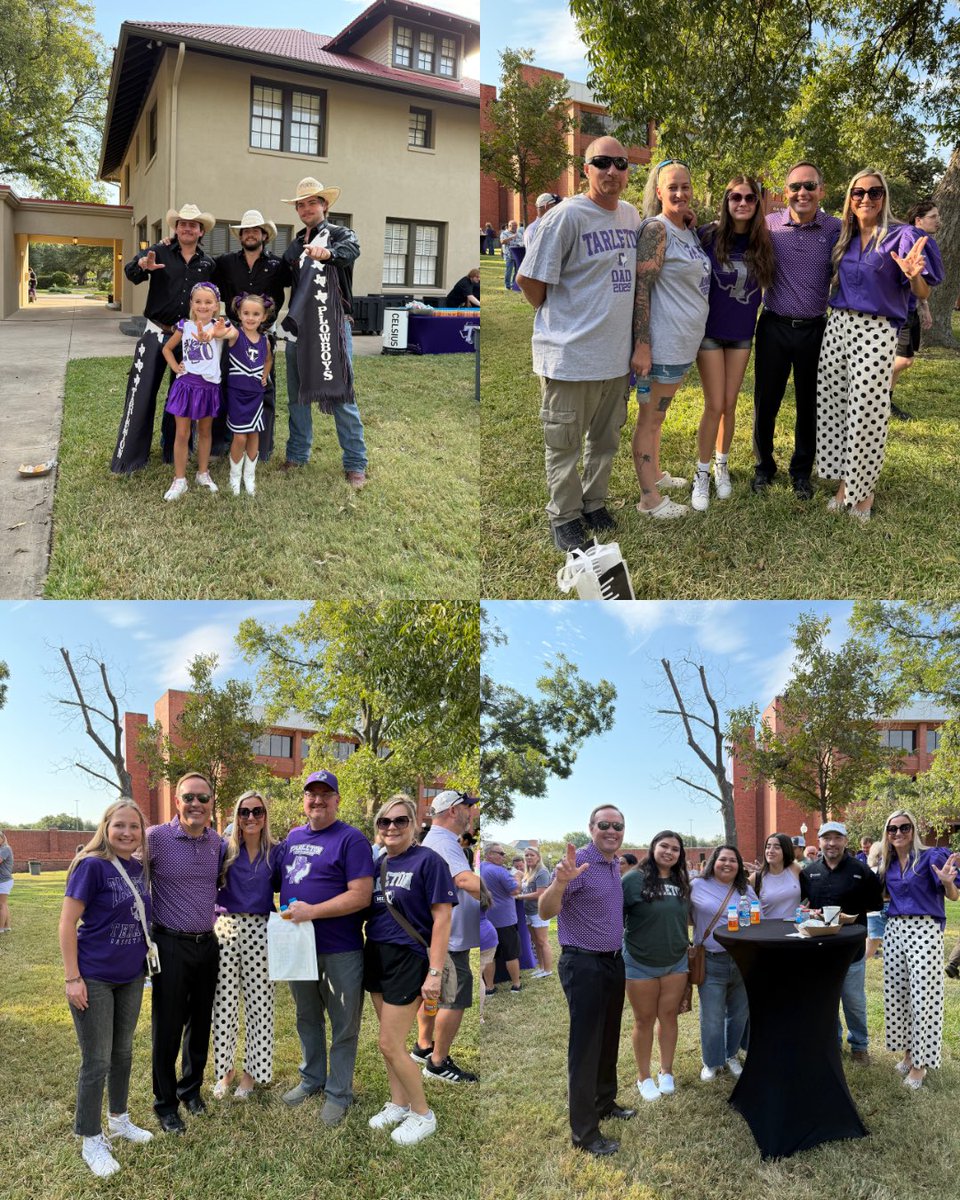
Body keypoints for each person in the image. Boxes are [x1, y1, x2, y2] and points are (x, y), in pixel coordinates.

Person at [516, 137, 641, 551]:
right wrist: (563, 319)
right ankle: (565, 515)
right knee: (564, 443)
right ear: (585, 169)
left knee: (605, 440)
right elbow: (529, 280)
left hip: (615, 358)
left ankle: (594, 503)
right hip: (570, 356)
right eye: (601, 162)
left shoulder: (630, 215)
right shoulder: (565, 217)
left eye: (620, 163)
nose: (612, 171)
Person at [816, 169, 938, 521]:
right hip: (838, 325)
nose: (866, 198)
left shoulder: (902, 235)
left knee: (867, 412)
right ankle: (845, 485)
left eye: (874, 192)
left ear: (884, 197)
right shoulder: (845, 236)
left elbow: (923, 290)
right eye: (859, 192)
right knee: (837, 407)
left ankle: (863, 493)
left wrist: (914, 275)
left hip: (876, 329)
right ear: (850, 198)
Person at [59, 799, 154, 1177]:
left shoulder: (139, 868)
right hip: (94, 977)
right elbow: (67, 923)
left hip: (131, 976)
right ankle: (90, 1138)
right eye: (120, 825)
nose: (127, 833)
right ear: (106, 827)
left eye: (134, 826)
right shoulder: (92, 865)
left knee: (123, 1052)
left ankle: (119, 1119)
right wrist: (72, 978)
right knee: (96, 1060)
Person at [274, 769, 373, 1125]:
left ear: (337, 800)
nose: (317, 800)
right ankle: (312, 1079)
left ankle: (338, 1092)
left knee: (344, 1024)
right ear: (304, 799)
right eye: (311, 794)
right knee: (306, 1017)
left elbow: (361, 896)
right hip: (298, 947)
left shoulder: (352, 839)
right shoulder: (293, 837)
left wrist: (312, 911)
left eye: (325, 794)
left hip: (339, 948)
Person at [539, 805, 635, 1157]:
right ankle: (585, 1133)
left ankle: (604, 1102)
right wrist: (560, 883)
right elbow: (546, 911)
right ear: (591, 827)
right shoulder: (577, 863)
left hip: (612, 962)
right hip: (583, 964)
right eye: (604, 824)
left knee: (608, 1037)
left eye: (618, 826)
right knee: (586, 1047)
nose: (612, 831)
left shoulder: (612, 864)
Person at [365, 794, 455, 1145]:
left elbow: (442, 918)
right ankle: (398, 1102)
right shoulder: (378, 863)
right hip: (376, 953)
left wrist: (435, 972)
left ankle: (423, 1113)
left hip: (409, 957)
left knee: (388, 1044)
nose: (392, 827)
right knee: (392, 1042)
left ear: (414, 825)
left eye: (400, 820)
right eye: (385, 821)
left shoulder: (429, 861)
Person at [752, 162, 841, 499]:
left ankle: (801, 471)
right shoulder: (769, 225)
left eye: (809, 186)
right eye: (795, 187)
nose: (802, 192)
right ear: (785, 191)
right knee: (766, 401)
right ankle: (764, 467)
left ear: (821, 190)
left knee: (810, 405)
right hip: (773, 326)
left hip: (815, 330)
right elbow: (734, 232)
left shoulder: (835, 228)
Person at [631, 158, 712, 520]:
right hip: (661, 345)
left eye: (685, 186)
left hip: (682, 344)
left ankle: (656, 474)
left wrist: (688, 219)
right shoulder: (656, 230)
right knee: (649, 419)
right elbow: (642, 289)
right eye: (672, 187)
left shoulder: (685, 229)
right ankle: (649, 499)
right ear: (659, 191)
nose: (680, 193)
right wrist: (642, 345)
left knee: (658, 417)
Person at [111, 203, 217, 474]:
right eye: (183, 224)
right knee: (142, 392)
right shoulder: (158, 251)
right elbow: (132, 273)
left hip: (189, 339)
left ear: (201, 231)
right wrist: (141, 264)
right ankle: (131, 457)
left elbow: (213, 299)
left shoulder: (208, 263)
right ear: (176, 228)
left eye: (193, 225)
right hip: (155, 333)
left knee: (182, 396)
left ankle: (174, 451)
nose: (187, 228)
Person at [147, 771, 225, 1133]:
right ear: (177, 801)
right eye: (189, 797)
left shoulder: (217, 843)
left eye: (203, 798)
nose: (196, 804)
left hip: (207, 944)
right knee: (167, 1027)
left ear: (211, 803)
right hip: (169, 944)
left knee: (200, 1023)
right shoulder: (155, 839)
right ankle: (165, 1104)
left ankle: (190, 1090)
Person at [692, 175, 774, 510]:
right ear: (726, 202)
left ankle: (721, 465)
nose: (742, 203)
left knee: (730, 403)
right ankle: (701, 473)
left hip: (742, 333)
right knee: (715, 404)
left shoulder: (764, 242)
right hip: (709, 332)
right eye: (735, 197)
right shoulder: (707, 236)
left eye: (749, 198)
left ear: (757, 203)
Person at [279, 178, 368, 487]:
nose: (306, 209)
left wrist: (326, 253)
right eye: (300, 205)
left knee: (341, 394)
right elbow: (280, 274)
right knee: (297, 396)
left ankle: (355, 463)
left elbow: (350, 251)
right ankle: (297, 454)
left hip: (333, 325)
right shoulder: (294, 244)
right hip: (300, 327)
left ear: (324, 205)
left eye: (311, 203)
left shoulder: (340, 234)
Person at [878, 809, 959, 1088]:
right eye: (892, 829)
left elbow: (953, 895)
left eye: (904, 827)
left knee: (924, 997)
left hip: (924, 929)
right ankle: (908, 1054)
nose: (898, 833)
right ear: (887, 834)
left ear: (913, 830)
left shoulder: (931, 856)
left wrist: (948, 883)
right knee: (898, 996)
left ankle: (920, 1066)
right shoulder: (887, 863)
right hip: (895, 930)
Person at [211, 791, 281, 1101]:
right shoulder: (223, 850)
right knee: (223, 1004)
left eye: (257, 811)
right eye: (244, 812)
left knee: (260, 1004)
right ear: (237, 816)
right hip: (226, 928)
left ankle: (252, 1074)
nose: (251, 817)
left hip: (261, 930)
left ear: (265, 816)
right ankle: (225, 1072)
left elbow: (291, 886)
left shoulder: (276, 852)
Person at [799, 820, 882, 1063]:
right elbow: (802, 904)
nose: (832, 843)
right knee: (826, 1000)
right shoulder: (809, 872)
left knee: (854, 1001)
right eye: (827, 838)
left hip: (851, 950)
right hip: (820, 949)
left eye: (837, 838)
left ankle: (859, 1046)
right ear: (819, 842)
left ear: (846, 841)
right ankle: (831, 1043)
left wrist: (852, 915)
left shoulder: (861, 870)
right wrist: (808, 912)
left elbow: (876, 903)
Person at [416, 789, 481, 1084]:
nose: (472, 813)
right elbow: (464, 879)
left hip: (443, 936)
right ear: (454, 810)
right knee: (453, 1000)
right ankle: (437, 1062)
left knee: (434, 994)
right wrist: (494, 894)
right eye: (468, 807)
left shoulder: (436, 840)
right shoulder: (444, 842)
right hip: (450, 939)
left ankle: (423, 1045)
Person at [213, 209, 289, 461]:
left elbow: (300, 278)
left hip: (264, 335)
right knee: (226, 384)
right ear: (240, 236)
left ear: (264, 235)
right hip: (233, 335)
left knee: (264, 385)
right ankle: (221, 443)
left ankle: (262, 448)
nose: (250, 234)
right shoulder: (225, 263)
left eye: (255, 230)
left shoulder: (277, 265)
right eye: (246, 231)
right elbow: (202, 272)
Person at [622, 831, 691, 1102]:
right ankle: (643, 1077)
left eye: (675, 848)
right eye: (664, 846)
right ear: (653, 848)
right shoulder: (633, 879)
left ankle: (666, 1071)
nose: (669, 852)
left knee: (669, 1016)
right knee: (644, 1019)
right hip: (640, 961)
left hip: (676, 960)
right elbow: (616, 917)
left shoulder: (681, 880)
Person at [690, 845, 757, 1081]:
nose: (727, 864)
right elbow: (684, 914)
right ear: (713, 862)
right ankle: (711, 1062)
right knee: (712, 1016)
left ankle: (731, 1055)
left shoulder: (745, 889)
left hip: (742, 960)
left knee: (738, 1014)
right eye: (723, 859)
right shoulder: (697, 885)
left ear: (739, 866)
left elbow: (757, 918)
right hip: (711, 960)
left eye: (733, 860)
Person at [160, 283, 231, 501]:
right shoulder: (185, 326)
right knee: (182, 433)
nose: (203, 306)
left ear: (216, 305)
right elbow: (167, 349)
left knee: (205, 431)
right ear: (191, 303)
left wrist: (212, 333)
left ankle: (203, 473)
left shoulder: (220, 325)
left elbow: (227, 333)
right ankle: (180, 479)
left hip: (209, 387)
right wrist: (175, 366)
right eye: (198, 301)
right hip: (186, 386)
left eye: (208, 302)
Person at [889, 200, 944, 419]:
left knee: (900, 358)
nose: (938, 221)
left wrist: (925, 307)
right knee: (904, 359)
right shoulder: (910, 236)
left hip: (911, 307)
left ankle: (886, 401)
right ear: (918, 220)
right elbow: (908, 275)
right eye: (933, 216)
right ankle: (870, 388)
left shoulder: (921, 239)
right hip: (899, 309)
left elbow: (918, 279)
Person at [221, 293, 274, 496]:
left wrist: (265, 374)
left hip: (256, 395)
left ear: (263, 317)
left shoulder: (265, 341)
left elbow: (268, 360)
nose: (250, 318)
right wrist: (217, 330)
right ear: (239, 314)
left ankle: (249, 476)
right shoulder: (236, 334)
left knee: (254, 434)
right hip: (237, 395)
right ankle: (234, 476)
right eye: (246, 313)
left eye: (256, 314)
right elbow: (223, 332)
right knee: (240, 437)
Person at [479, 842, 522, 994]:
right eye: (501, 853)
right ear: (489, 854)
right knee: (511, 954)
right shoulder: (500, 871)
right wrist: (518, 877)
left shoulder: (480, 868)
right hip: (505, 920)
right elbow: (515, 890)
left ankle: (489, 987)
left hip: (486, 919)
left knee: (490, 956)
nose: (504, 856)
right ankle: (516, 984)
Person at [748, 832, 802, 919]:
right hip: (768, 926)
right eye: (768, 847)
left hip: (794, 926)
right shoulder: (757, 877)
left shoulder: (795, 868)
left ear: (786, 850)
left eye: (777, 847)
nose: (770, 851)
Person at [520, 846, 553, 979]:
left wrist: (519, 897)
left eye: (532, 855)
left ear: (538, 857)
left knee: (542, 941)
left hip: (539, 911)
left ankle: (548, 970)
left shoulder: (542, 872)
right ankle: (541, 967)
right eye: (526, 855)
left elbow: (541, 893)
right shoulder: (528, 872)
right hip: (528, 911)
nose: (528, 857)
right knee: (535, 941)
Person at [500, 220, 521, 289]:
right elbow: (502, 241)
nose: (515, 227)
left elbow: (522, 241)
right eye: (514, 226)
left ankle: (514, 284)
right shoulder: (504, 233)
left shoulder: (519, 234)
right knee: (509, 270)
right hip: (508, 254)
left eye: (516, 225)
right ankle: (507, 285)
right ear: (509, 226)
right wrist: (511, 237)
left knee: (517, 270)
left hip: (517, 254)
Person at [0, 830, 13, 931]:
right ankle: (7, 926)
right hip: (4, 880)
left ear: (2, 838)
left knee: (1, 904)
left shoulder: (5, 849)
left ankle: (0, 928)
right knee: (3, 904)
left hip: (3, 881)